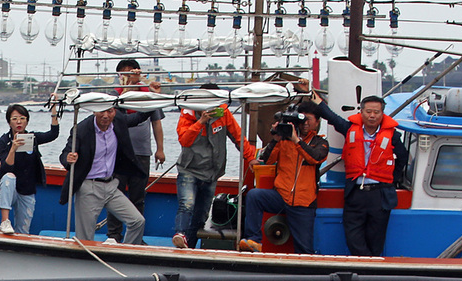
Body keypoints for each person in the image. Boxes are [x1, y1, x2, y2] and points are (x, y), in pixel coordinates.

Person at [305, 80, 409, 256]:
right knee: (353, 235)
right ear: (361, 112)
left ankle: (372, 271)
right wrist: (313, 96)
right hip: (356, 193)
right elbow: (332, 117)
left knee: (376, 238)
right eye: (368, 111)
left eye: (376, 112)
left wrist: (392, 179)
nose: (372, 116)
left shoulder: (393, 135)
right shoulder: (350, 129)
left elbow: (403, 157)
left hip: (380, 193)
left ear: (382, 114)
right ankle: (363, 264)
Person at [173, 85, 256, 249]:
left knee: (201, 215)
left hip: (211, 173)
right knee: (186, 204)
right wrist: (200, 122)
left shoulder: (223, 113)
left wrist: (251, 158)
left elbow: (238, 137)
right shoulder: (187, 114)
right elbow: (184, 140)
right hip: (189, 170)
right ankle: (179, 234)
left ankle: (188, 246)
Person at [240, 101, 329, 254]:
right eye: (302, 119)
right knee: (255, 196)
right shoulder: (284, 141)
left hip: (304, 202)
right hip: (281, 195)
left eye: (309, 119)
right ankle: (254, 240)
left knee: (304, 249)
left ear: (318, 121)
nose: (305, 123)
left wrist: (296, 140)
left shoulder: (320, 143)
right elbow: (266, 160)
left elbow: (314, 158)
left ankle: (305, 273)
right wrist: (275, 137)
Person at [59, 107, 152, 245]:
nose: (106, 115)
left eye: (110, 111)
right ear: (94, 111)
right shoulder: (82, 129)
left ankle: (125, 255)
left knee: (137, 221)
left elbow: (139, 117)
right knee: (85, 237)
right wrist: (68, 158)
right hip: (88, 187)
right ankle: (85, 263)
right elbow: (64, 154)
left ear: (115, 112)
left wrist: (153, 98)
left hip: (111, 185)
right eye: (101, 111)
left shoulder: (118, 121)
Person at [108, 59, 167, 243]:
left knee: (138, 197)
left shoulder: (148, 93)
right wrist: (127, 89)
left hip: (142, 152)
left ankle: (135, 237)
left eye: (132, 73)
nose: (129, 77)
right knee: (114, 194)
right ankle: (113, 235)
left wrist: (160, 149)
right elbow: (108, 116)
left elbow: (156, 122)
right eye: (124, 74)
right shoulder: (113, 93)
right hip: (117, 153)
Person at [0, 101, 60, 235]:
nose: (19, 122)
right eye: (14, 119)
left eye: (22, 119)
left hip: (27, 189)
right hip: (8, 189)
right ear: (9, 122)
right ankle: (5, 220)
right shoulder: (3, 141)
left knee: (23, 231)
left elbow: (53, 134)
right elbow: (6, 167)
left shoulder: (33, 138)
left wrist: (54, 109)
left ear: (27, 121)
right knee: (9, 177)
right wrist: (13, 149)